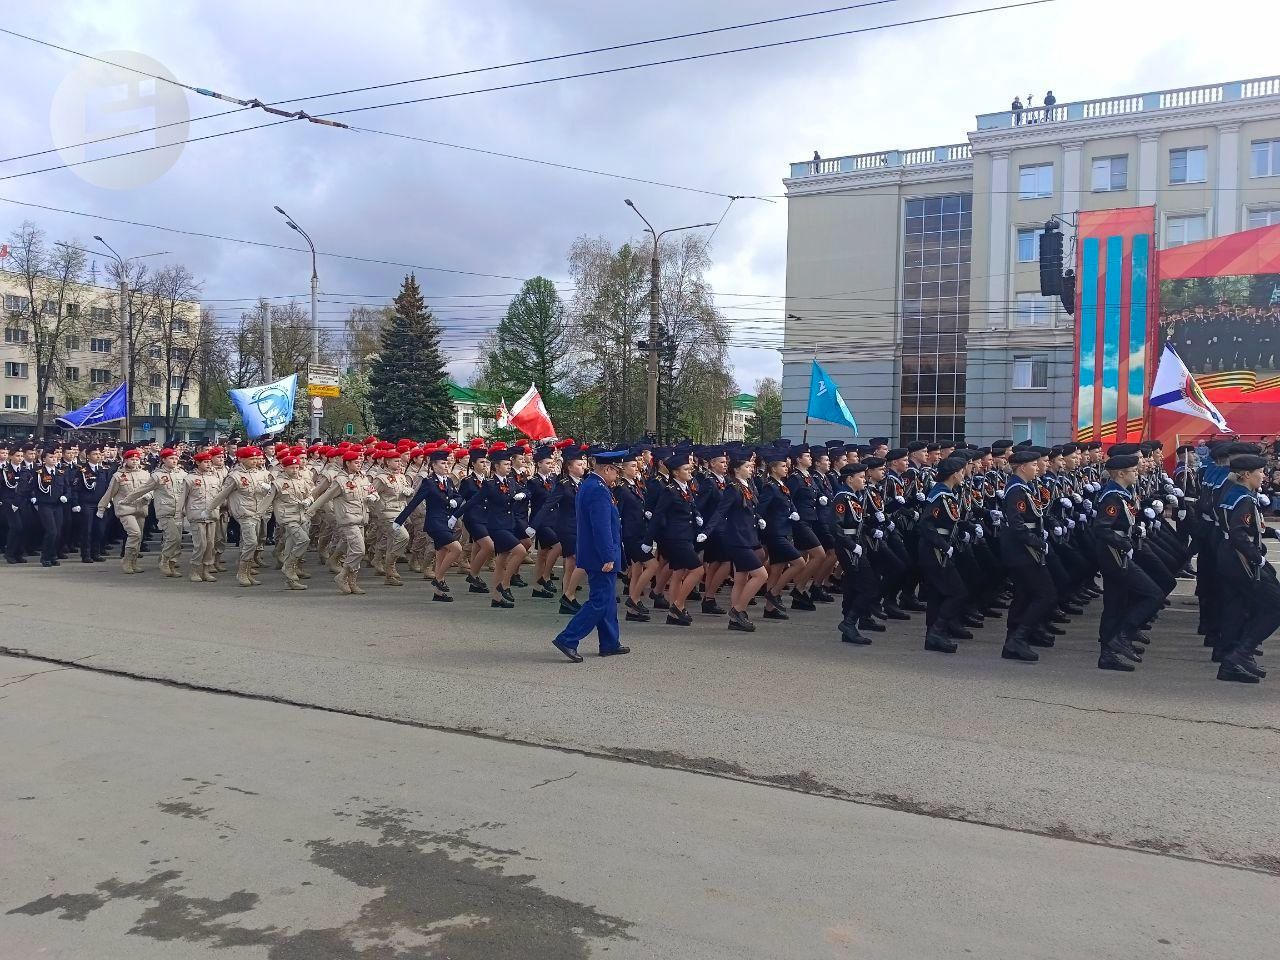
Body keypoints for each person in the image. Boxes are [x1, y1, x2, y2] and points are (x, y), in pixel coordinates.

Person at [552, 448, 630, 662]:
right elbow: (601, 527)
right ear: (607, 469)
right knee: (600, 600)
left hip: (597, 552)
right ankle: (568, 638)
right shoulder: (598, 489)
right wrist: (608, 555)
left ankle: (609, 642)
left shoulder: (592, 485)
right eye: (616, 471)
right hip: (601, 554)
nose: (618, 476)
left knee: (607, 600)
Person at [1213, 453, 1280, 683]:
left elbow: (1247, 527)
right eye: (1260, 472)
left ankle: (1233, 659)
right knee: (1274, 605)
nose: (1264, 475)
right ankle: (1240, 654)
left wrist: (1271, 532)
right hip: (1240, 558)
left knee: (1236, 606)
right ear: (1247, 475)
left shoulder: (1236, 494)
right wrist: (1257, 559)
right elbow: (1239, 533)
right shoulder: (1243, 499)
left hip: (1230, 556)